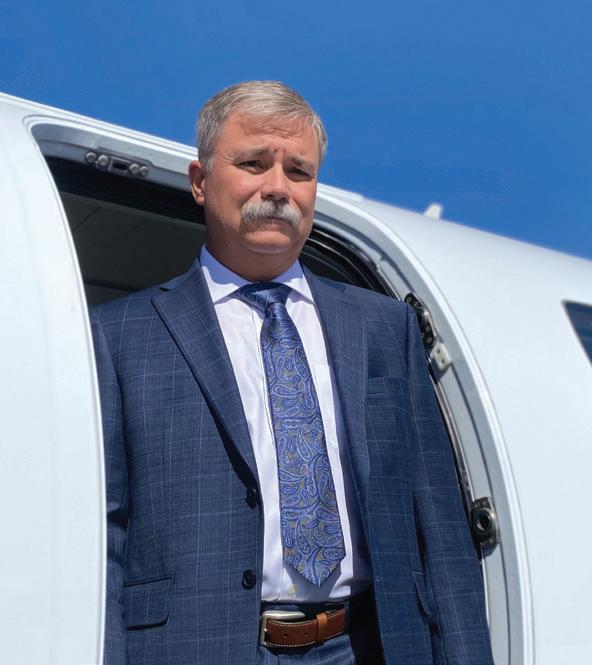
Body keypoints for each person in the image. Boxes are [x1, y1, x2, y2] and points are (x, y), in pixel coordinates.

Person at [91, 80, 494, 665]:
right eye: (253, 164)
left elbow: (440, 525)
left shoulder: (385, 328)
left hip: (364, 647)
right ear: (200, 181)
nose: (278, 188)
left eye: (298, 171)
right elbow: (105, 532)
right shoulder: (119, 334)